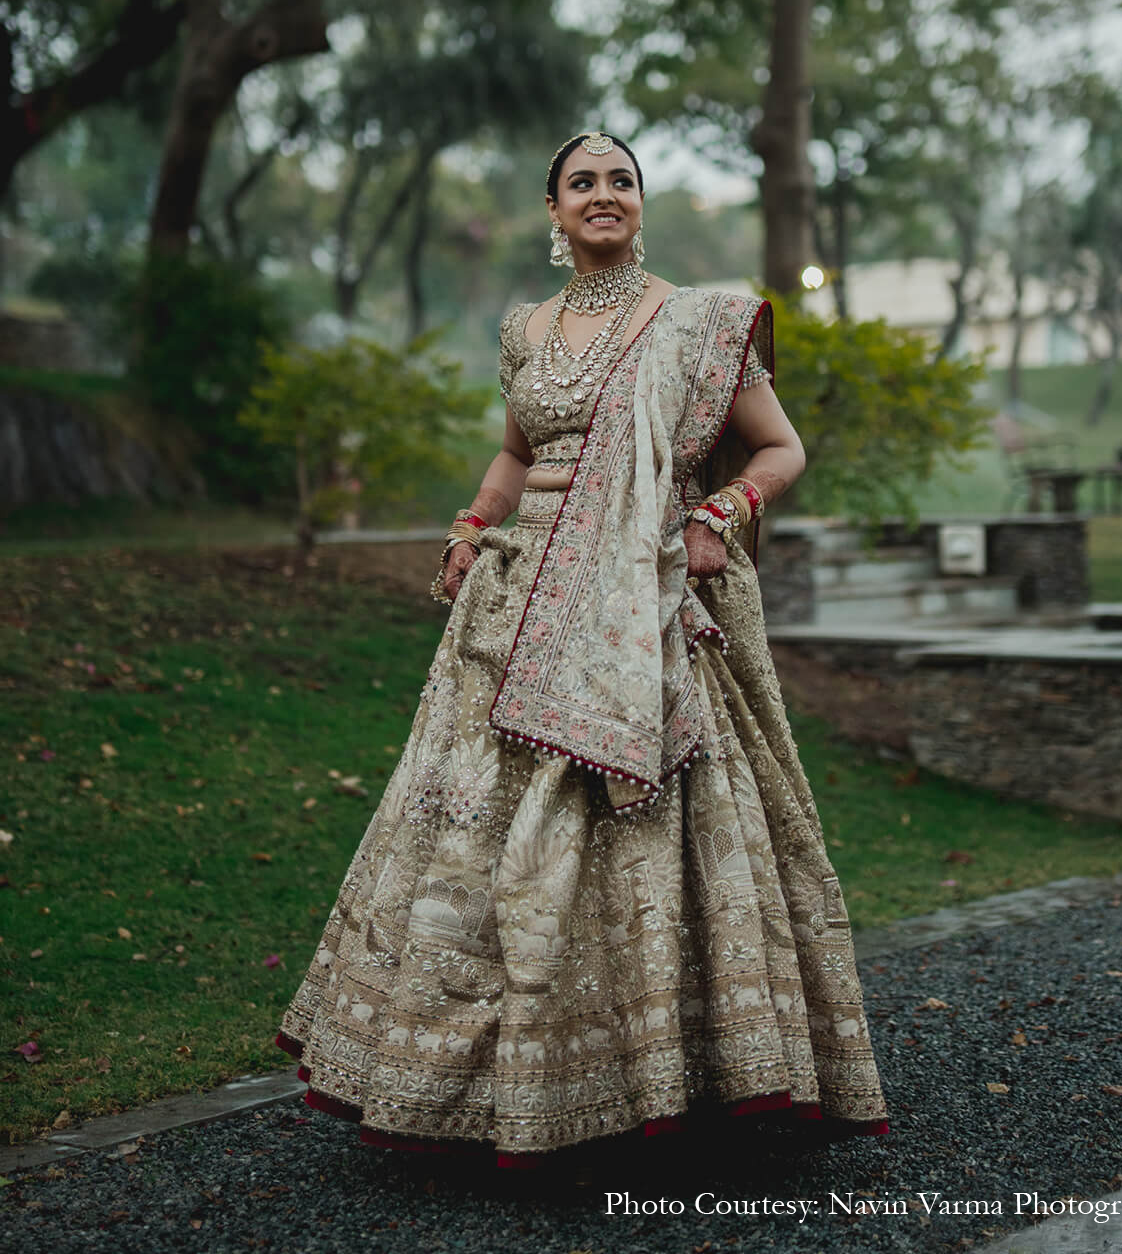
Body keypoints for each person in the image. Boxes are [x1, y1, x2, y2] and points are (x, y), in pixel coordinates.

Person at [275, 130, 888, 1166]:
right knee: (482, 836)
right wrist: (472, 526)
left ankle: (677, 1069)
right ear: (552, 215)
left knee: (647, 824)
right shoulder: (524, 331)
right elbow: (517, 453)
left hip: (645, 602)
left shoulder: (696, 325)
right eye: (581, 183)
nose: (602, 194)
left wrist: (718, 515)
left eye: (620, 180)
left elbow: (780, 448)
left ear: (639, 205)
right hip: (520, 613)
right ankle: (495, 1078)